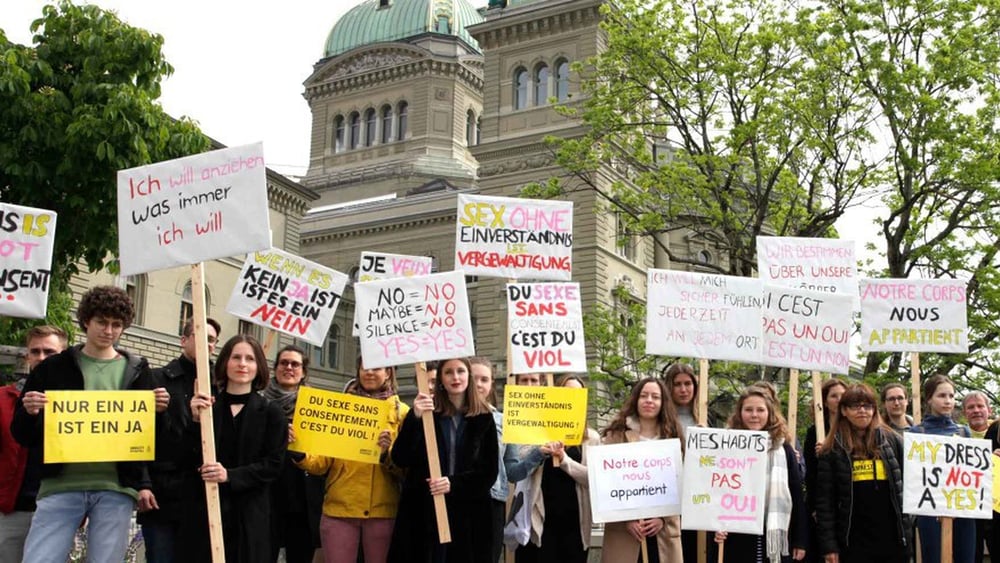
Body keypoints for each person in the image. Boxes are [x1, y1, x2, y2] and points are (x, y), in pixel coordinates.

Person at [12, 286, 169, 563]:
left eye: (116, 324)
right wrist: (29, 412)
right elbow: (22, 434)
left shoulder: (137, 370)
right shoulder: (53, 368)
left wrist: (159, 412)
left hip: (115, 487)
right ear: (86, 321)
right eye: (102, 322)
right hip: (60, 484)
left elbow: (154, 439)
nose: (108, 330)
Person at [182, 334, 287, 563]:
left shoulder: (271, 412)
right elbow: (187, 458)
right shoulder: (208, 409)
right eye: (236, 357)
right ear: (224, 363)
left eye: (249, 359)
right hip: (207, 513)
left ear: (258, 366)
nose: (242, 364)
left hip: (251, 517)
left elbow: (274, 465)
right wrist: (195, 421)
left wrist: (230, 475)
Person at [295, 357, 407, 563]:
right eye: (364, 367)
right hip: (339, 508)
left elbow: (406, 469)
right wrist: (299, 453)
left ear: (388, 372)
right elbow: (321, 464)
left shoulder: (403, 414)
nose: (369, 372)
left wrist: (386, 453)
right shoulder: (339, 408)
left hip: (382, 511)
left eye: (376, 367)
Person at [387, 357, 498, 563]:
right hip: (424, 512)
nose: (455, 377)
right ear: (441, 379)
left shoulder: (483, 418)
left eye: (460, 371)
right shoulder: (426, 414)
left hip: (467, 515)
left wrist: (453, 484)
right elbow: (400, 458)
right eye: (448, 372)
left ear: (469, 377)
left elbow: (488, 473)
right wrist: (415, 419)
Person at [142, 317, 220, 563]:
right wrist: (142, 483)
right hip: (164, 496)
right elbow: (140, 436)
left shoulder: (223, 385)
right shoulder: (156, 380)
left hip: (207, 498)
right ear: (183, 340)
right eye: (200, 335)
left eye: (212, 340)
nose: (207, 344)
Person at [505, 371, 597, 563]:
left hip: (575, 525)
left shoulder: (591, 438)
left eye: (577, 395)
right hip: (539, 523)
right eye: (566, 393)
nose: (571, 399)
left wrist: (565, 461)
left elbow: (596, 479)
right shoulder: (534, 432)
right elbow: (517, 470)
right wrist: (539, 451)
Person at [815, 383, 910, 563]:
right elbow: (824, 503)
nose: (862, 411)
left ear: (874, 410)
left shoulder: (892, 441)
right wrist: (829, 546)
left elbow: (907, 489)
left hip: (893, 541)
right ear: (843, 411)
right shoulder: (832, 450)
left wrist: (906, 532)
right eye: (855, 406)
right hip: (852, 542)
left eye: (867, 406)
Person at [715, 387, 807, 563]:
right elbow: (717, 489)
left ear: (770, 413)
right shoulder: (727, 445)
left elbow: (796, 492)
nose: (754, 415)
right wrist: (715, 526)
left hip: (775, 531)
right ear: (740, 412)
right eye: (748, 410)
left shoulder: (784, 448)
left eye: (760, 410)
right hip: (737, 530)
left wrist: (800, 540)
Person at [0, 325, 67, 563]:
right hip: (13, 509)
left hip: (60, 508)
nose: (41, 358)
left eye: (49, 352)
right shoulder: (3, 399)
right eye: (35, 351)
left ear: (63, 354)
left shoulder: (78, 401)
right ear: (27, 356)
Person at [600, 377, 683, 563]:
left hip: (662, 531)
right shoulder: (616, 436)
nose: (649, 401)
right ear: (636, 400)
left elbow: (681, 485)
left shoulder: (673, 438)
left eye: (655, 397)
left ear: (663, 403)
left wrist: (662, 518)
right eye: (644, 396)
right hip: (625, 532)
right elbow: (606, 484)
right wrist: (625, 519)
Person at [909, 375, 974, 563]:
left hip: (962, 507)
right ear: (929, 398)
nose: (948, 401)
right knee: (933, 558)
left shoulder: (963, 431)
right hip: (930, 509)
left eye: (952, 396)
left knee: (965, 557)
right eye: (942, 395)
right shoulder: (917, 433)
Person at [267, 345, 322, 563]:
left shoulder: (317, 407)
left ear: (304, 372)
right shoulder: (260, 401)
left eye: (295, 364)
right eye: (284, 363)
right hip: (268, 493)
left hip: (303, 495)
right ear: (276, 368)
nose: (289, 368)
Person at [662, 362, 704, 563]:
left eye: (688, 383)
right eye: (677, 384)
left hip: (698, 500)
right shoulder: (662, 419)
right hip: (669, 500)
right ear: (669, 387)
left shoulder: (705, 418)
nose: (683, 389)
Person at [805, 378, 847, 562]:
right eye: (834, 396)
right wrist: (815, 506)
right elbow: (811, 474)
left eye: (843, 396)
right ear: (824, 400)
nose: (839, 399)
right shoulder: (815, 432)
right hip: (824, 504)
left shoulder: (853, 429)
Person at [470, 356, 507, 563]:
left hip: (492, 501)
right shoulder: (449, 417)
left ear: (492, 383)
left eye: (484, 379)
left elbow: (511, 469)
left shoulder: (502, 421)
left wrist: (538, 454)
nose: (478, 384)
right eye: (474, 378)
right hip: (458, 500)